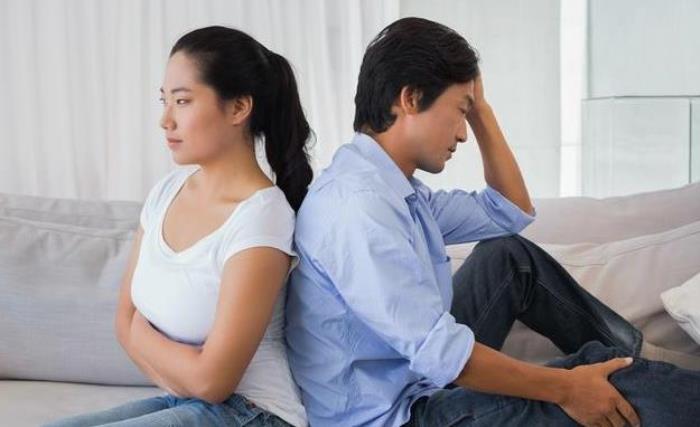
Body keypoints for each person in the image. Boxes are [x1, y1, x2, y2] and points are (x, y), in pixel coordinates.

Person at [285, 17, 700, 427]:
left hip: (415, 382)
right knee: (599, 377)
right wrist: (567, 388)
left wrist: (479, 109)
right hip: (397, 417)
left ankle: (641, 357)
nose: (463, 134)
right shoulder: (358, 207)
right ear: (411, 99)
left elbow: (509, 211)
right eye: (460, 112)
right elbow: (444, 355)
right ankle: (638, 370)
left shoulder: (391, 189)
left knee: (508, 258)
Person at [46, 26, 311, 427]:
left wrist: (143, 334)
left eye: (183, 101)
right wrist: (186, 367)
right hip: (186, 400)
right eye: (164, 100)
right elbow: (123, 322)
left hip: (255, 414)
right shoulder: (166, 192)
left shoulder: (262, 216)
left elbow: (213, 381)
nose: (165, 120)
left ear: (239, 108)